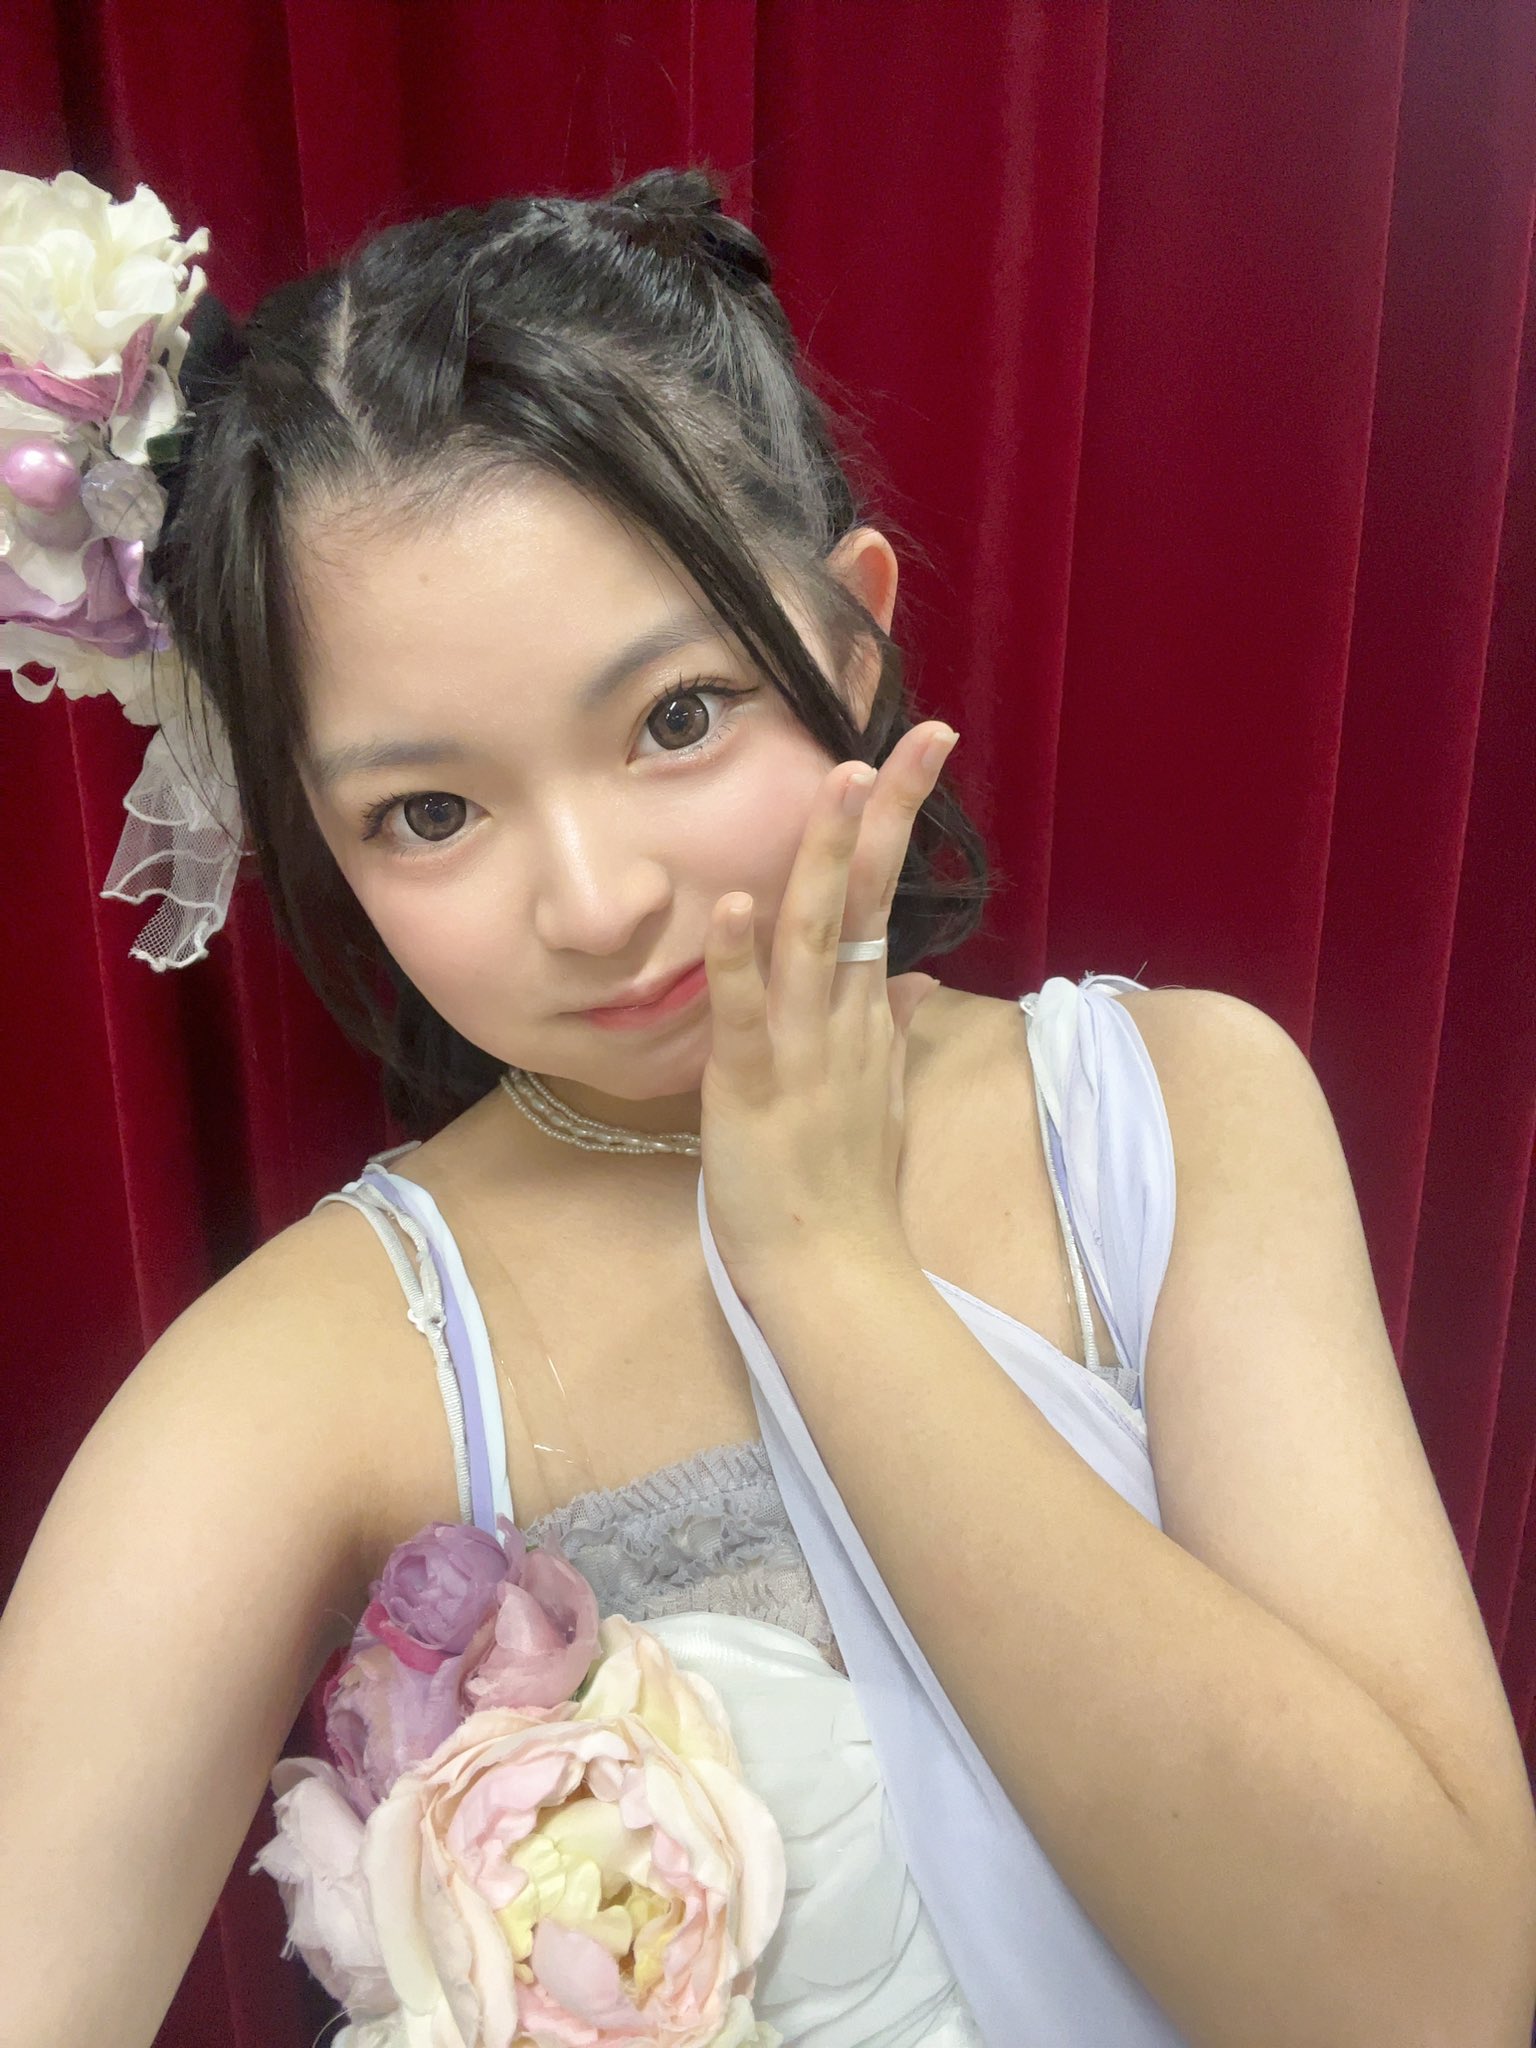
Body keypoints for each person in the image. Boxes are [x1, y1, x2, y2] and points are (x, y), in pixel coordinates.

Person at [3, 163, 1534, 2048]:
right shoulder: (311, 1373)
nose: (594, 903)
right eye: (430, 812)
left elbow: (1432, 2003)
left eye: (676, 717)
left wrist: (825, 1269)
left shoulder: (1178, 1116)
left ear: (851, 638)